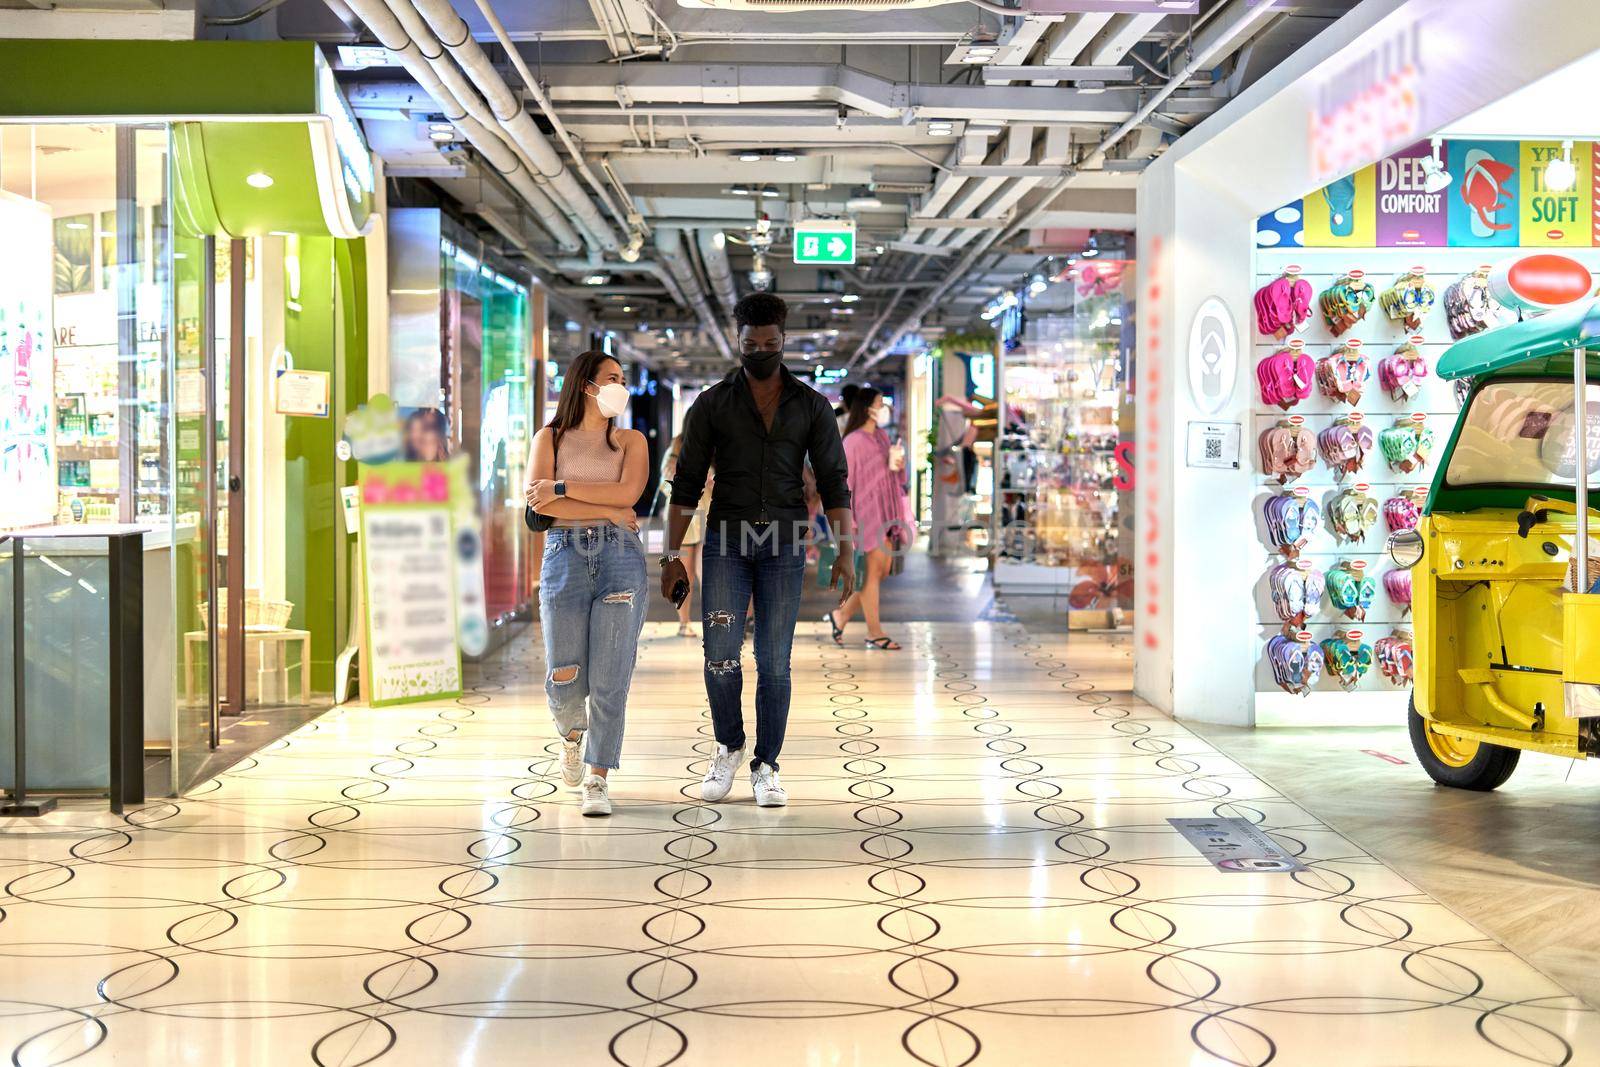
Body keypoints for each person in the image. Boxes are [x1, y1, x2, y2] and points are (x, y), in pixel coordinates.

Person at [662, 292, 855, 808]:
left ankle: (767, 763)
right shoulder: (711, 403)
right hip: (726, 539)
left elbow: (836, 481)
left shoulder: (810, 405)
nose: (762, 351)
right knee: (720, 655)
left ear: (784, 341)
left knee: (775, 660)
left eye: (771, 344)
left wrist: (847, 549)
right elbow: (685, 485)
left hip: (785, 543)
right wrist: (670, 555)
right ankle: (728, 745)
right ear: (739, 341)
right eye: (752, 344)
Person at [524, 350, 649, 817]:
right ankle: (572, 735)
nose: (621, 386)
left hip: (620, 559)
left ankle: (598, 776)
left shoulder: (631, 441)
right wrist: (607, 509)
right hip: (564, 557)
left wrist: (563, 488)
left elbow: (628, 494)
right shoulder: (549, 437)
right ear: (586, 386)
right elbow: (542, 509)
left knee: (611, 677)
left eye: (623, 378)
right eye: (612, 378)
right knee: (564, 675)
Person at [828, 387, 911, 651]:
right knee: (873, 573)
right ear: (867, 408)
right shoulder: (852, 442)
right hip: (865, 514)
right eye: (880, 403)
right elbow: (845, 482)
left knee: (880, 571)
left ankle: (840, 615)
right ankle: (875, 632)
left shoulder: (883, 437)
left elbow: (895, 477)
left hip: (888, 513)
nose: (885, 407)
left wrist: (899, 466)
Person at [659, 431, 711, 637]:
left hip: (707, 514)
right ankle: (684, 622)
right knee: (684, 572)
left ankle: (711, 621)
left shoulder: (713, 448)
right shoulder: (675, 450)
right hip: (683, 518)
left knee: (708, 572)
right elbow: (664, 485)